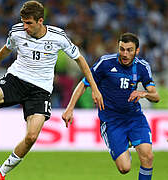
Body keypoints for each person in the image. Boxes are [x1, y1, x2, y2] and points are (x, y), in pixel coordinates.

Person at [0, 1, 103, 180]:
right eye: (23, 22)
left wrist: (94, 88)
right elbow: (6, 49)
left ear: (40, 21)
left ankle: (2, 171)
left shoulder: (58, 37)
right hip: (17, 79)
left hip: (41, 90)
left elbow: (81, 60)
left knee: (31, 137)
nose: (25, 27)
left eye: (28, 23)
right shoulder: (17, 32)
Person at [62, 33, 160, 180]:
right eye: (122, 49)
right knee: (124, 168)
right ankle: (125, 143)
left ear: (137, 51)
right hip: (111, 121)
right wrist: (70, 108)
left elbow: (156, 96)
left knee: (148, 156)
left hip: (134, 118)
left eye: (129, 50)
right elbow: (83, 83)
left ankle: (132, 140)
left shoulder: (142, 67)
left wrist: (143, 93)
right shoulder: (106, 63)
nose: (125, 54)